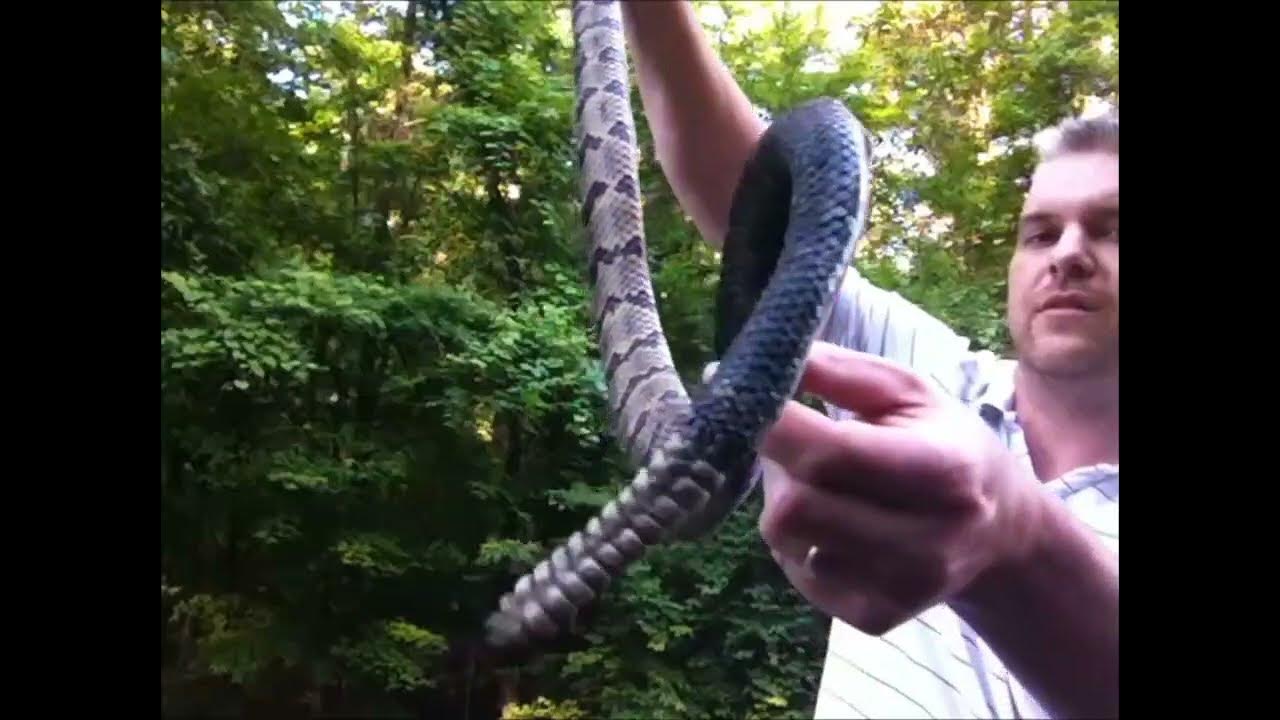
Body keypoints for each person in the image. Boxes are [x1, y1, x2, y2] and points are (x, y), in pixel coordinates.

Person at [619, 2, 1119, 718]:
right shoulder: (929, 376)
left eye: (1110, 229)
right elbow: (758, 216)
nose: (1068, 253)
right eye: (1040, 234)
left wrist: (1016, 546)